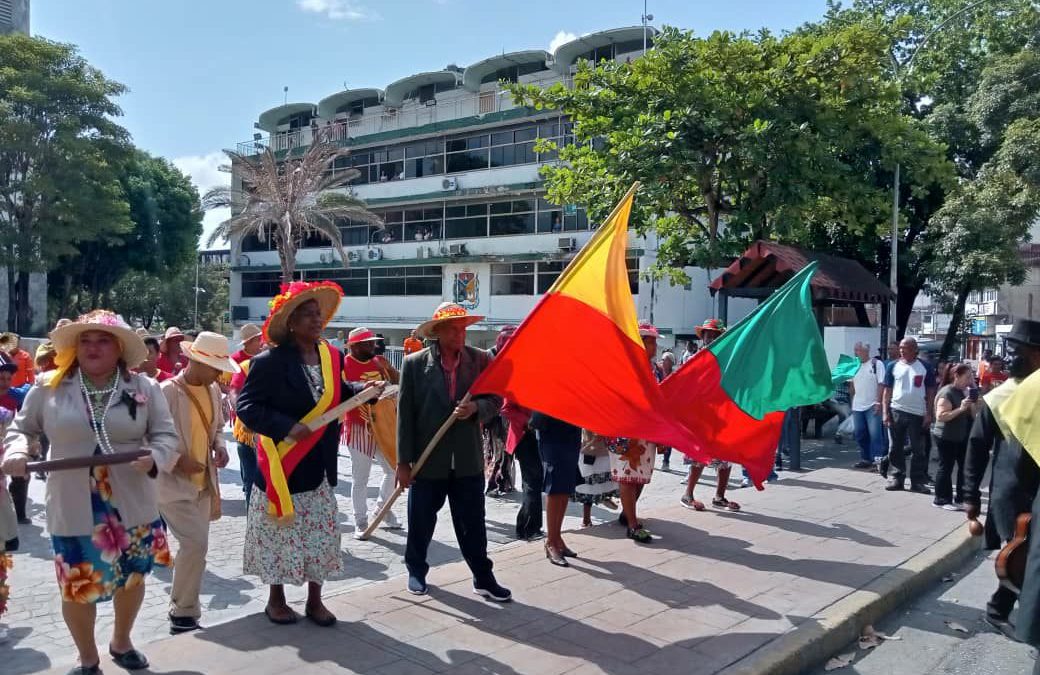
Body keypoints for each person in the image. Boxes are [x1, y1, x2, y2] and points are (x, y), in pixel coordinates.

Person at [1, 310, 179, 674]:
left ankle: (122, 640)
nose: (92, 347)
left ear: (119, 349)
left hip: (132, 500)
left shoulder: (144, 387)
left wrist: (156, 457)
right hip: (73, 502)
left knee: (132, 577)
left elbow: (167, 436)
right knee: (78, 584)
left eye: (102, 341)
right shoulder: (48, 384)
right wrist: (18, 451)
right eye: (85, 340)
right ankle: (87, 657)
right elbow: (22, 429)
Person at [236, 281, 381, 627]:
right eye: (308, 315)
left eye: (319, 314)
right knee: (278, 537)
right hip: (281, 464)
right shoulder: (269, 362)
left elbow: (337, 393)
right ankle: (276, 600)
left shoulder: (332, 356)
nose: (317, 321)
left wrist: (364, 391)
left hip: (318, 465)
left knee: (322, 535)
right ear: (290, 322)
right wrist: (286, 425)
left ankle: (315, 601)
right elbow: (247, 407)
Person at [396, 302, 509, 600]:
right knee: (420, 521)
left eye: (463, 329)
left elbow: (496, 401)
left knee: (472, 523)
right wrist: (402, 462)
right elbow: (404, 416)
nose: (461, 335)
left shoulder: (480, 360)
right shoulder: (415, 364)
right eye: (454, 329)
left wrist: (476, 408)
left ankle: (483, 577)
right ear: (438, 332)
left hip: (467, 460)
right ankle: (416, 571)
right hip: (427, 459)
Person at [962, 319, 1040, 639]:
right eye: (1010, 351)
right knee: (1022, 555)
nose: (1011, 359)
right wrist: (969, 496)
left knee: (1025, 558)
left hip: (1036, 491)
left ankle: (1003, 608)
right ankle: (1005, 611)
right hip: (1013, 493)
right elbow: (977, 447)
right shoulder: (999, 397)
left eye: (1019, 352)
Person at [157, 332, 238, 634]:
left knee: (196, 548)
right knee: (194, 544)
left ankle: (184, 608)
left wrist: (220, 446)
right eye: (215, 367)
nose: (219, 373)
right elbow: (149, 439)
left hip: (204, 481)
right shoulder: (166, 391)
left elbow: (217, 427)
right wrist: (177, 461)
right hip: (171, 485)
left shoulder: (214, 390)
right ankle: (182, 611)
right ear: (197, 362)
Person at [342, 327, 401, 539]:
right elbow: (342, 393)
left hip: (383, 423)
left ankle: (382, 510)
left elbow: (397, 384)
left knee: (393, 470)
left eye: (373, 342)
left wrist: (391, 373)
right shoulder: (344, 364)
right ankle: (361, 520)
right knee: (361, 479)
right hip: (359, 426)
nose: (373, 346)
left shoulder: (379, 362)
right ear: (355, 346)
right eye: (367, 343)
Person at [607, 323, 663, 544]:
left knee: (641, 477)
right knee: (628, 477)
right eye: (651, 341)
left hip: (647, 431)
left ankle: (626, 514)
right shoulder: (623, 367)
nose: (655, 345)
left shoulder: (654, 369)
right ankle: (632, 524)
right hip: (624, 430)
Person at [681, 319, 741, 514]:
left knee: (726, 456)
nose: (711, 338)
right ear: (703, 337)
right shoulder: (694, 359)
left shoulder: (729, 361)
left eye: (716, 335)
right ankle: (688, 495)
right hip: (702, 416)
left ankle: (719, 496)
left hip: (723, 415)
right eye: (708, 335)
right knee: (699, 456)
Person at [881, 337, 937, 493]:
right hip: (896, 410)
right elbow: (887, 391)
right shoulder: (892, 366)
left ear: (914, 349)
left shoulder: (925, 367)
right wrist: (885, 412)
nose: (901, 350)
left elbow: (931, 392)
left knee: (918, 449)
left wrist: (929, 413)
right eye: (900, 348)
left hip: (917, 413)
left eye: (905, 348)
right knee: (895, 447)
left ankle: (917, 481)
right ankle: (896, 478)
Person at [530, 412, 581, 566]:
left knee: (565, 486)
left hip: (572, 430)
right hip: (551, 433)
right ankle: (551, 542)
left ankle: (557, 538)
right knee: (555, 486)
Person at [931, 363, 976, 510]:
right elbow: (941, 416)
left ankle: (961, 498)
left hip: (960, 436)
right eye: (967, 377)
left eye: (971, 377)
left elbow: (973, 415)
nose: (970, 380)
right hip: (946, 436)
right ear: (956, 376)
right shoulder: (947, 392)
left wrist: (971, 399)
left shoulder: (963, 391)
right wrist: (961, 408)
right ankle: (941, 499)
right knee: (946, 467)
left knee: (964, 467)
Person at [0, 355, 31, 524]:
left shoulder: (15, 395)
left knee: (22, 475)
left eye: (8, 379)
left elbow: (28, 388)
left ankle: (20, 514)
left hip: (9, 442)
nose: (5, 382)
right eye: (1, 378)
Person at [850, 342, 886, 470]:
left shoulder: (877, 364)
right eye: (855, 350)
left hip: (872, 405)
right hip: (857, 405)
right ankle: (866, 458)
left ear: (866, 351)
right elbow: (852, 385)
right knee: (860, 433)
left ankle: (878, 461)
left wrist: (878, 401)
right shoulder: (854, 366)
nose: (855, 353)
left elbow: (881, 384)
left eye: (858, 350)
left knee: (875, 434)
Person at [573, 430, 619, 526]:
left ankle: (604, 497)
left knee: (605, 482)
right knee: (588, 487)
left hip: (604, 452)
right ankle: (586, 520)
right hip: (590, 452)